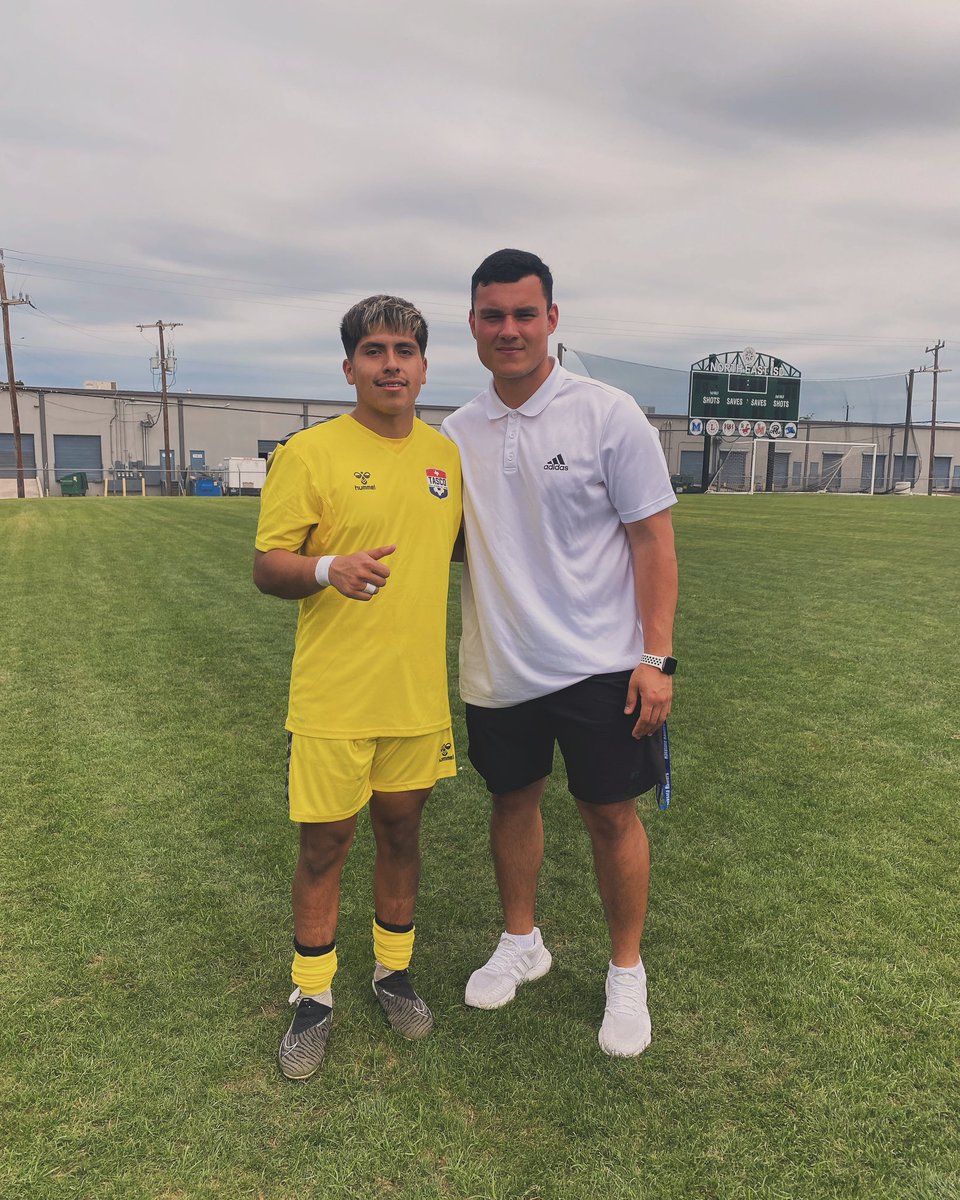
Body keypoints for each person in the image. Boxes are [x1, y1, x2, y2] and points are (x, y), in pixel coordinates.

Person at [441, 250, 678, 1057]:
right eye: (492, 315)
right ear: (472, 323)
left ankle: (625, 972)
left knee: (610, 815)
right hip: (498, 664)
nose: (509, 329)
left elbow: (652, 538)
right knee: (511, 803)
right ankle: (522, 942)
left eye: (524, 313)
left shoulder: (608, 414)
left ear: (551, 319)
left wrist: (659, 657)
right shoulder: (456, 434)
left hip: (601, 664)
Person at [254, 295, 462, 1080]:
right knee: (325, 844)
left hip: (416, 698)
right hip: (334, 697)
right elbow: (267, 565)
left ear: (422, 366)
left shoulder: (448, 456)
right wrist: (325, 569)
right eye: (374, 352)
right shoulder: (309, 453)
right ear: (350, 368)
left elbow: (478, 549)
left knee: (403, 835)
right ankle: (313, 997)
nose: (391, 365)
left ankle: (392, 975)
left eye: (404, 351)